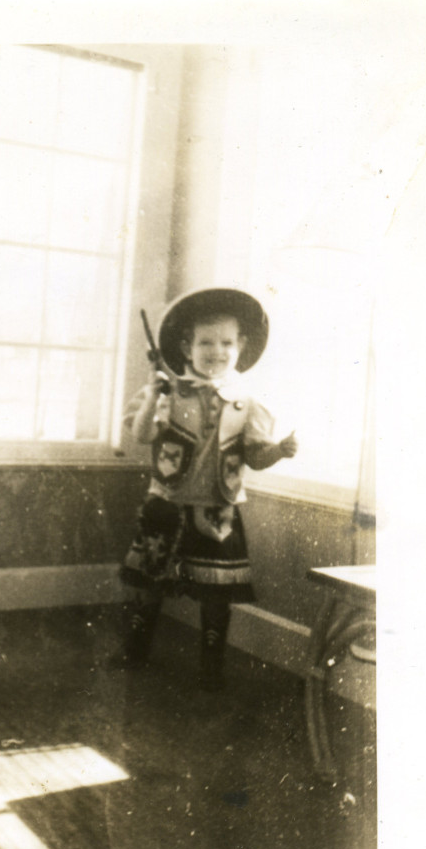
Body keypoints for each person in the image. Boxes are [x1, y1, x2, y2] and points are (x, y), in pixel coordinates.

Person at [115, 287, 298, 689]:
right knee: (148, 584)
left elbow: (254, 456)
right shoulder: (167, 393)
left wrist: (279, 452)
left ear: (242, 346)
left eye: (227, 343)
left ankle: (211, 667)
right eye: (205, 342)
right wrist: (151, 396)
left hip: (218, 510)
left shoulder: (247, 403)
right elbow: (142, 434)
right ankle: (135, 650)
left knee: (217, 597)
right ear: (186, 345)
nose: (217, 351)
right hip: (166, 504)